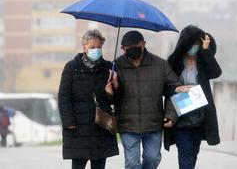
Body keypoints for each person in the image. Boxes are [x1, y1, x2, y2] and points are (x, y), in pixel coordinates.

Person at [115, 30, 180, 169]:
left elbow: (175, 89)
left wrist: (171, 115)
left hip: (153, 124)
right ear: (122, 49)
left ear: (144, 44)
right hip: (128, 125)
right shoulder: (116, 67)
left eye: (136, 47)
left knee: (153, 158)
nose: (133, 51)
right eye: (129, 49)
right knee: (132, 164)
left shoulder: (160, 64)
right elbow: (110, 97)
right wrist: (111, 86)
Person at [58, 29, 119, 169]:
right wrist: (68, 122)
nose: (96, 50)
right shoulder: (71, 67)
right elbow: (63, 97)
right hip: (78, 127)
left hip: (101, 125)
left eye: (99, 47)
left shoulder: (109, 68)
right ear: (84, 47)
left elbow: (117, 99)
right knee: (78, 164)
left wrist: (113, 88)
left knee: (99, 164)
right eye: (92, 47)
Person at [164, 25, 222, 169]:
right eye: (192, 44)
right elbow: (165, 86)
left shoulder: (202, 62)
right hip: (180, 116)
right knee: (185, 153)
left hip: (199, 116)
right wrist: (177, 88)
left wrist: (206, 50)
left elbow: (216, 72)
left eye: (197, 45)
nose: (194, 48)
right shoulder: (175, 62)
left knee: (193, 153)